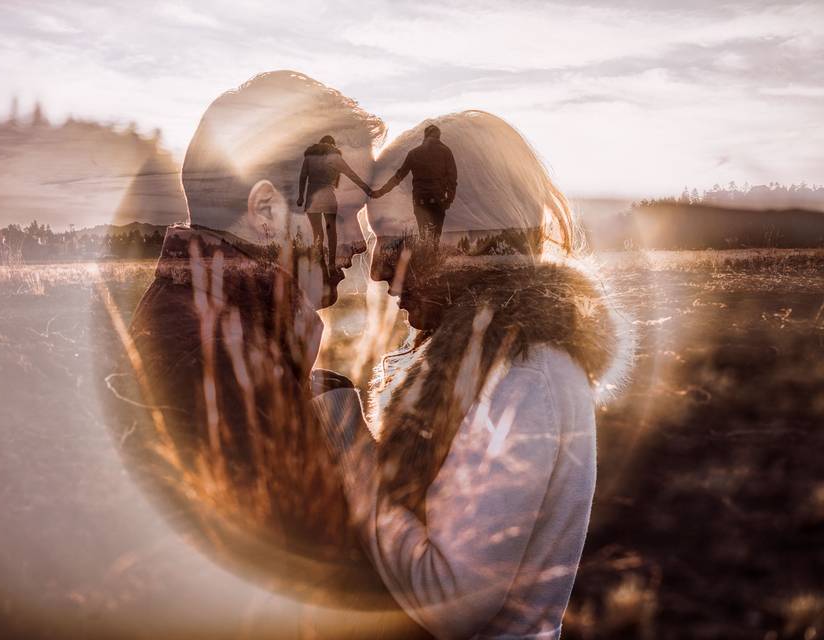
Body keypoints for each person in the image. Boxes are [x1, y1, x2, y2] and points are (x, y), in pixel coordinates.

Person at [104, 72, 430, 634]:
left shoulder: (222, 330)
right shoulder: (214, 362)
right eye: (343, 213)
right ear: (267, 212)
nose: (359, 243)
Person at [311, 111, 634, 640]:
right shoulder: (472, 352)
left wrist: (347, 438)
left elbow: (450, 601)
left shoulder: (527, 373)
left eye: (396, 238)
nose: (376, 269)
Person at [370, 123, 457, 241]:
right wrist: (449, 199)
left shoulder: (414, 153)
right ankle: (433, 255)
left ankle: (424, 255)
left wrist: (380, 192)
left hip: (419, 199)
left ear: (425, 136)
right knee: (435, 236)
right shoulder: (446, 152)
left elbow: (398, 177)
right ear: (438, 136)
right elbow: (452, 179)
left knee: (424, 234)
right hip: (438, 198)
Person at [298, 134, 372, 268]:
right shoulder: (335, 157)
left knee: (317, 233)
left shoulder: (309, 157)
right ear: (332, 145)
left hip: (311, 198)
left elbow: (303, 177)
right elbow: (351, 174)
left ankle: (320, 265)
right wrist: (367, 189)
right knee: (331, 233)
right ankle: (331, 264)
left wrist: (300, 197)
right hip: (327, 197)